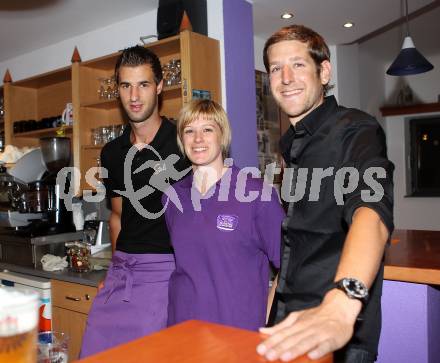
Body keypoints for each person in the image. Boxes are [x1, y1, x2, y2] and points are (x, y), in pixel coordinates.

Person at [256, 25, 394, 362]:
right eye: (276, 68)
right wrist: (270, 310)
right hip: (288, 324)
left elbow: (372, 214)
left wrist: (341, 304)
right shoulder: (291, 145)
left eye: (298, 64)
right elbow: (296, 240)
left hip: (334, 330)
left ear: (324, 71)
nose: (286, 77)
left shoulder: (354, 129)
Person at [80, 45, 189, 357]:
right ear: (118, 90)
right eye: (126, 86)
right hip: (123, 271)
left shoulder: (182, 142)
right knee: (94, 352)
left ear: (159, 86)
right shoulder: (111, 153)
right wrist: (113, 270)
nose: (134, 96)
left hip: (165, 273)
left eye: (143, 84)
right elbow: (118, 216)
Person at [163, 99, 285, 331]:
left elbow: (289, 265)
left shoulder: (257, 195)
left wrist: (267, 316)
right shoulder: (172, 198)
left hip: (237, 332)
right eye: (189, 131)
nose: (198, 139)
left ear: (223, 136)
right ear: (181, 140)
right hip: (182, 330)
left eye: (207, 129)